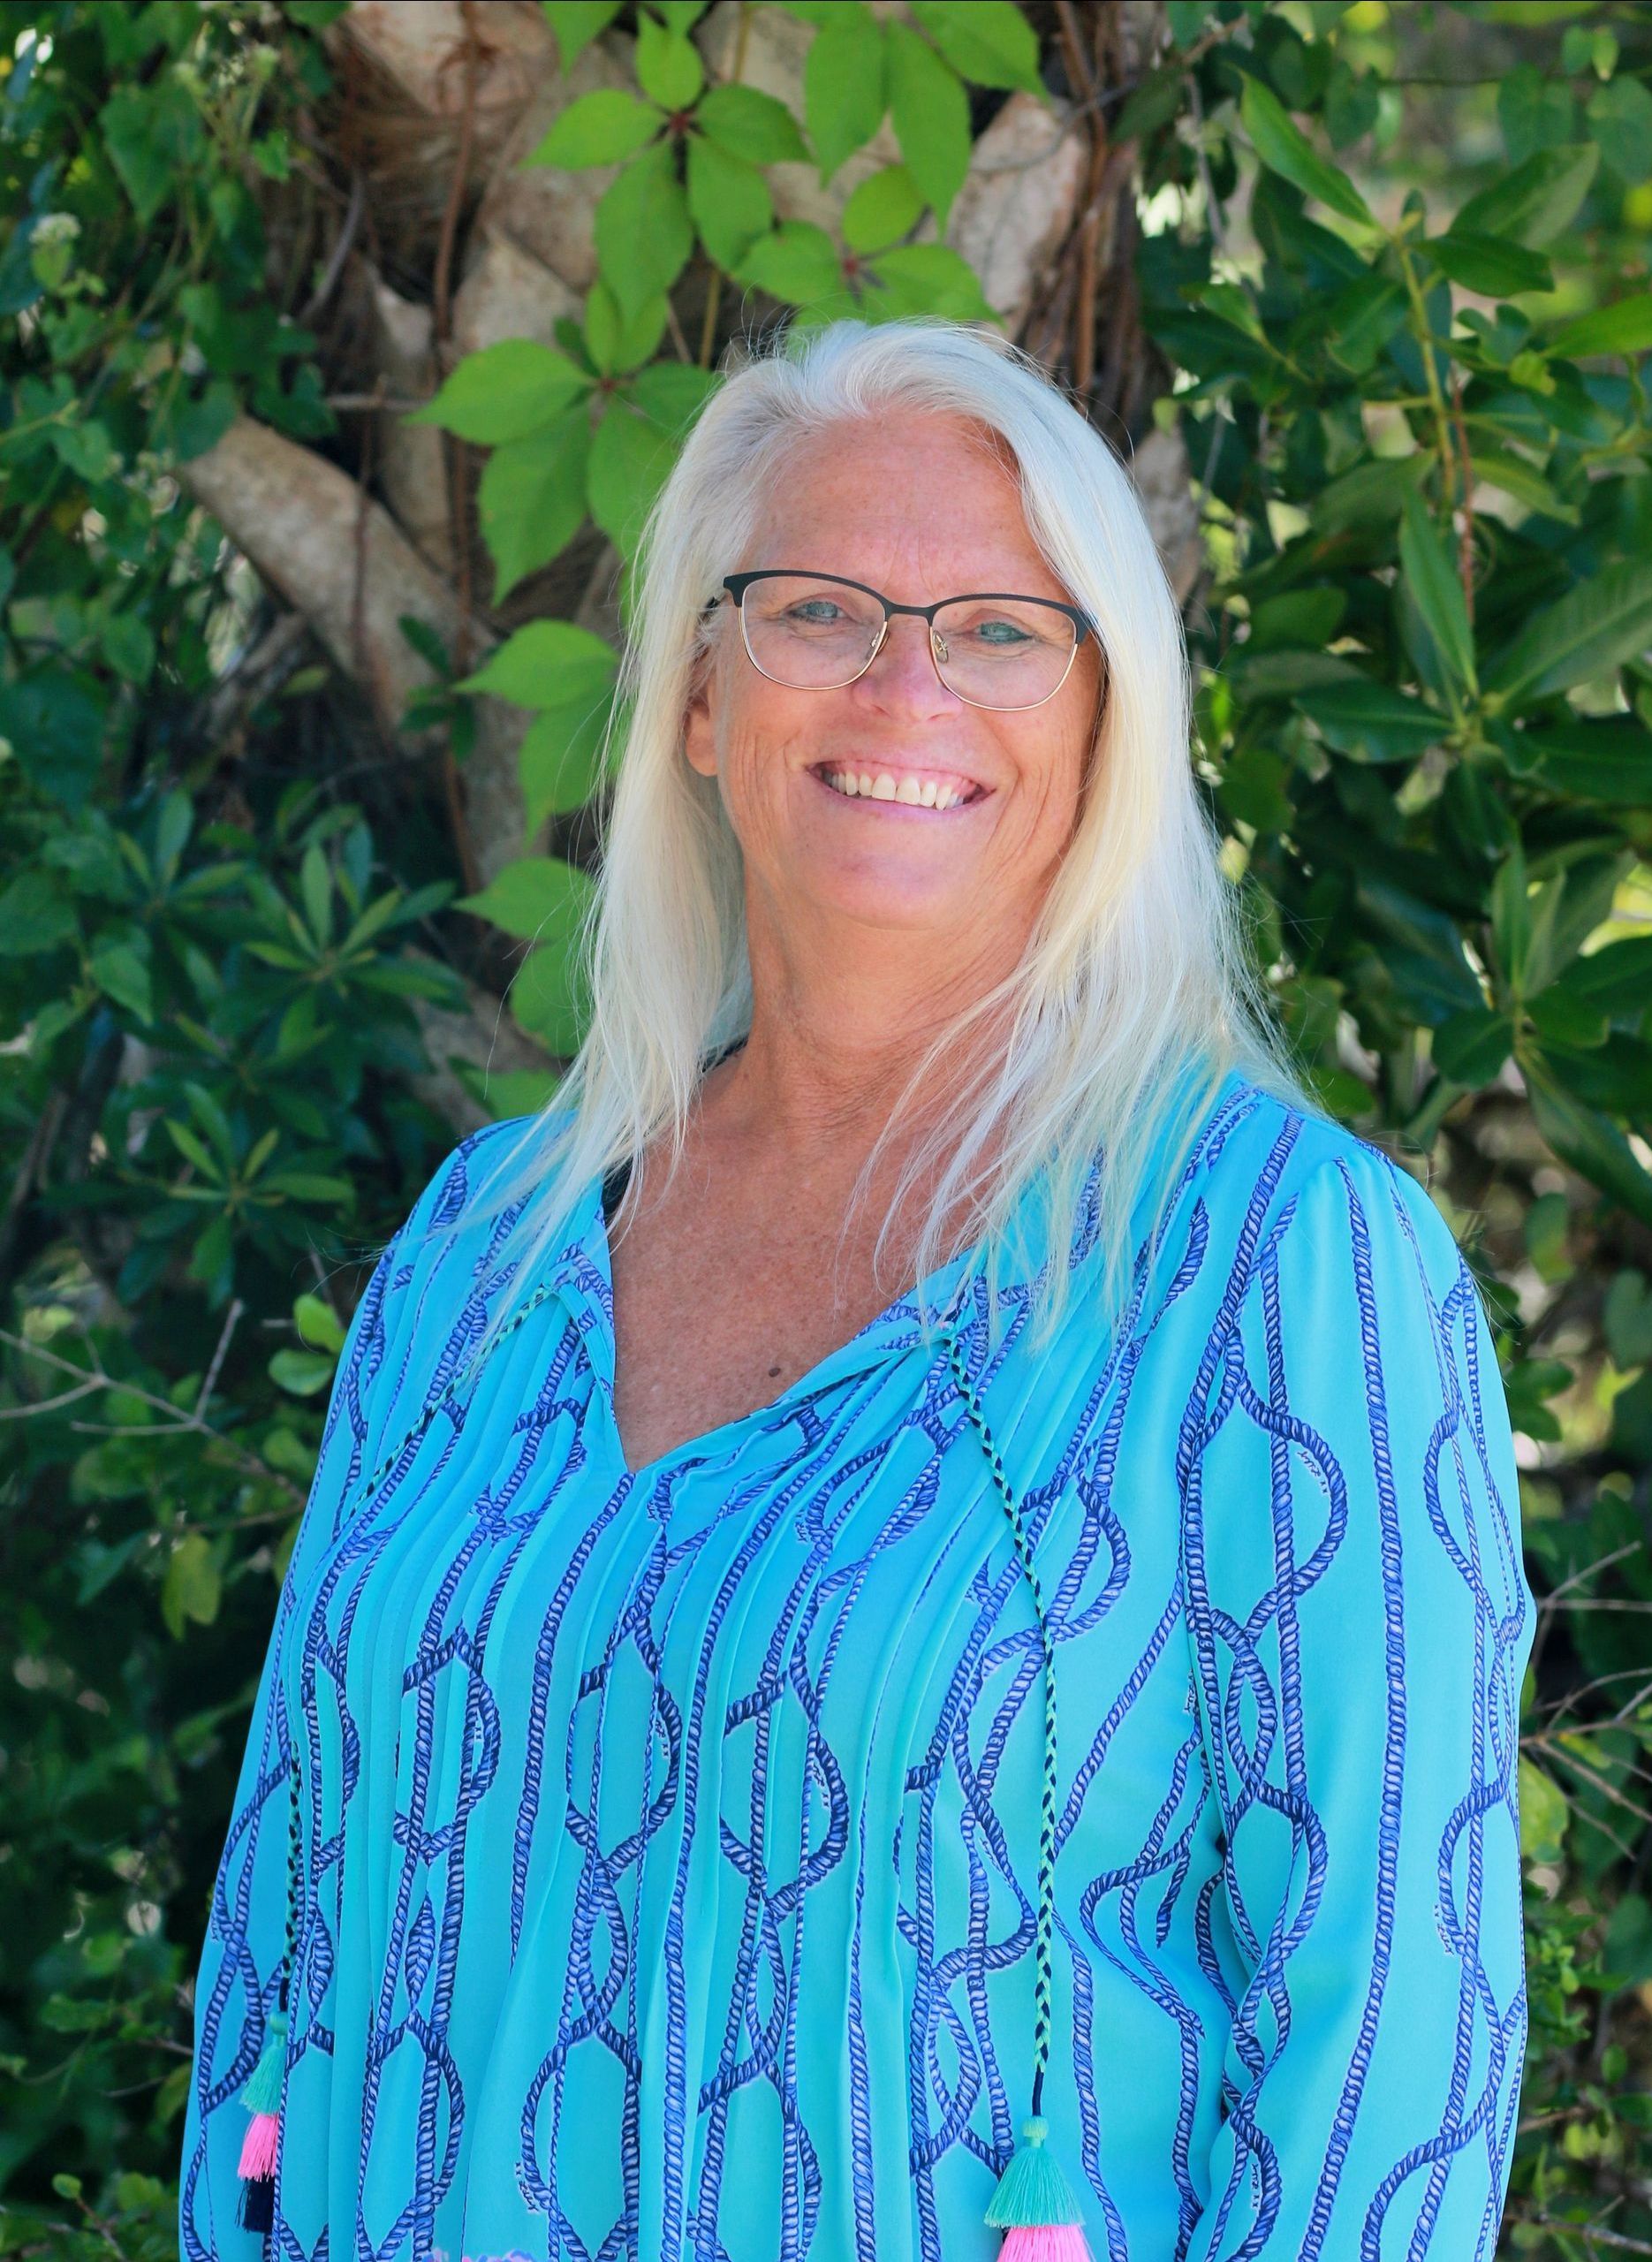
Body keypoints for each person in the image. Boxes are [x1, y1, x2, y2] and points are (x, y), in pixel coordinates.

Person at [179, 316, 1535, 2262]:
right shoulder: (488, 1250)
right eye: (819, 607)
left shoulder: (1278, 1264)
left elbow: (1386, 2064)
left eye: (1000, 626)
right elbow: (280, 1942)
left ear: (1103, 722)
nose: (909, 681)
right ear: (700, 705)